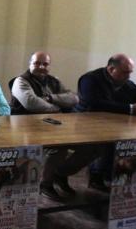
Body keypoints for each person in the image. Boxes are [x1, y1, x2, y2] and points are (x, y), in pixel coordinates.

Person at [10, 51, 94, 201]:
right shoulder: (21, 81)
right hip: (28, 128)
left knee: (91, 146)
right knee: (59, 147)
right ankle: (46, 184)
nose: (41, 66)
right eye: (37, 63)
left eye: (45, 64)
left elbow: (74, 98)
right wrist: (58, 107)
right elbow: (31, 103)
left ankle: (60, 174)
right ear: (30, 64)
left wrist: (50, 97)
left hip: (57, 127)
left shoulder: (54, 81)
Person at [76, 53, 136, 190]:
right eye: (125, 72)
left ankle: (111, 178)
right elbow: (94, 104)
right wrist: (131, 108)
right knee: (109, 142)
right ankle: (98, 176)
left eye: (130, 73)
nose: (128, 76)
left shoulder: (126, 83)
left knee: (133, 138)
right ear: (111, 69)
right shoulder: (90, 79)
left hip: (114, 125)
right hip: (86, 123)